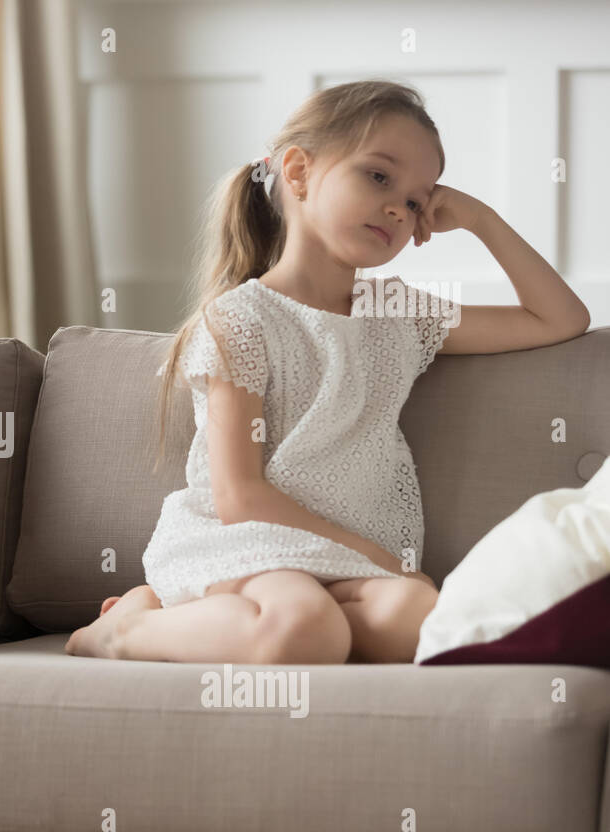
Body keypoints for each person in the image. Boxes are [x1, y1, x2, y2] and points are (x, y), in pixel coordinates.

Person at [66, 79, 590, 666]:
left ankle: (233, 622)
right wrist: (375, 555)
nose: (400, 207)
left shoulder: (397, 315)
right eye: (378, 176)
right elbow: (239, 496)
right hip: (251, 543)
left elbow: (560, 318)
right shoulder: (240, 319)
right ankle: (121, 630)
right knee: (305, 629)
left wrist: (480, 218)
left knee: (414, 620)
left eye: (418, 200)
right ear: (297, 172)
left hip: (350, 559)